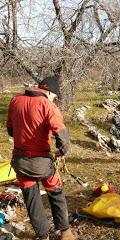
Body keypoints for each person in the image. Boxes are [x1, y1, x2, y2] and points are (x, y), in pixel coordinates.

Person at [7, 76, 76, 240]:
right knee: (56, 193)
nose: (54, 99)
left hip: (20, 162)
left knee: (32, 199)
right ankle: (65, 232)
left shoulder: (15, 100)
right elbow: (62, 135)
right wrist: (61, 151)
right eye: (54, 96)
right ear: (50, 92)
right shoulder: (48, 105)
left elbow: (10, 130)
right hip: (42, 163)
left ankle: (42, 236)